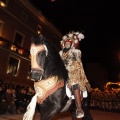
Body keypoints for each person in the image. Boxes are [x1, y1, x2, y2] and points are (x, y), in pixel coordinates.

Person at [59, 31, 91, 118]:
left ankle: (79, 108)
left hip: (72, 72)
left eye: (69, 43)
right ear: (63, 43)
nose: (67, 44)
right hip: (61, 72)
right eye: (66, 43)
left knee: (74, 83)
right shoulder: (60, 53)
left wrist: (68, 63)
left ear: (72, 44)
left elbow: (78, 62)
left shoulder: (75, 51)